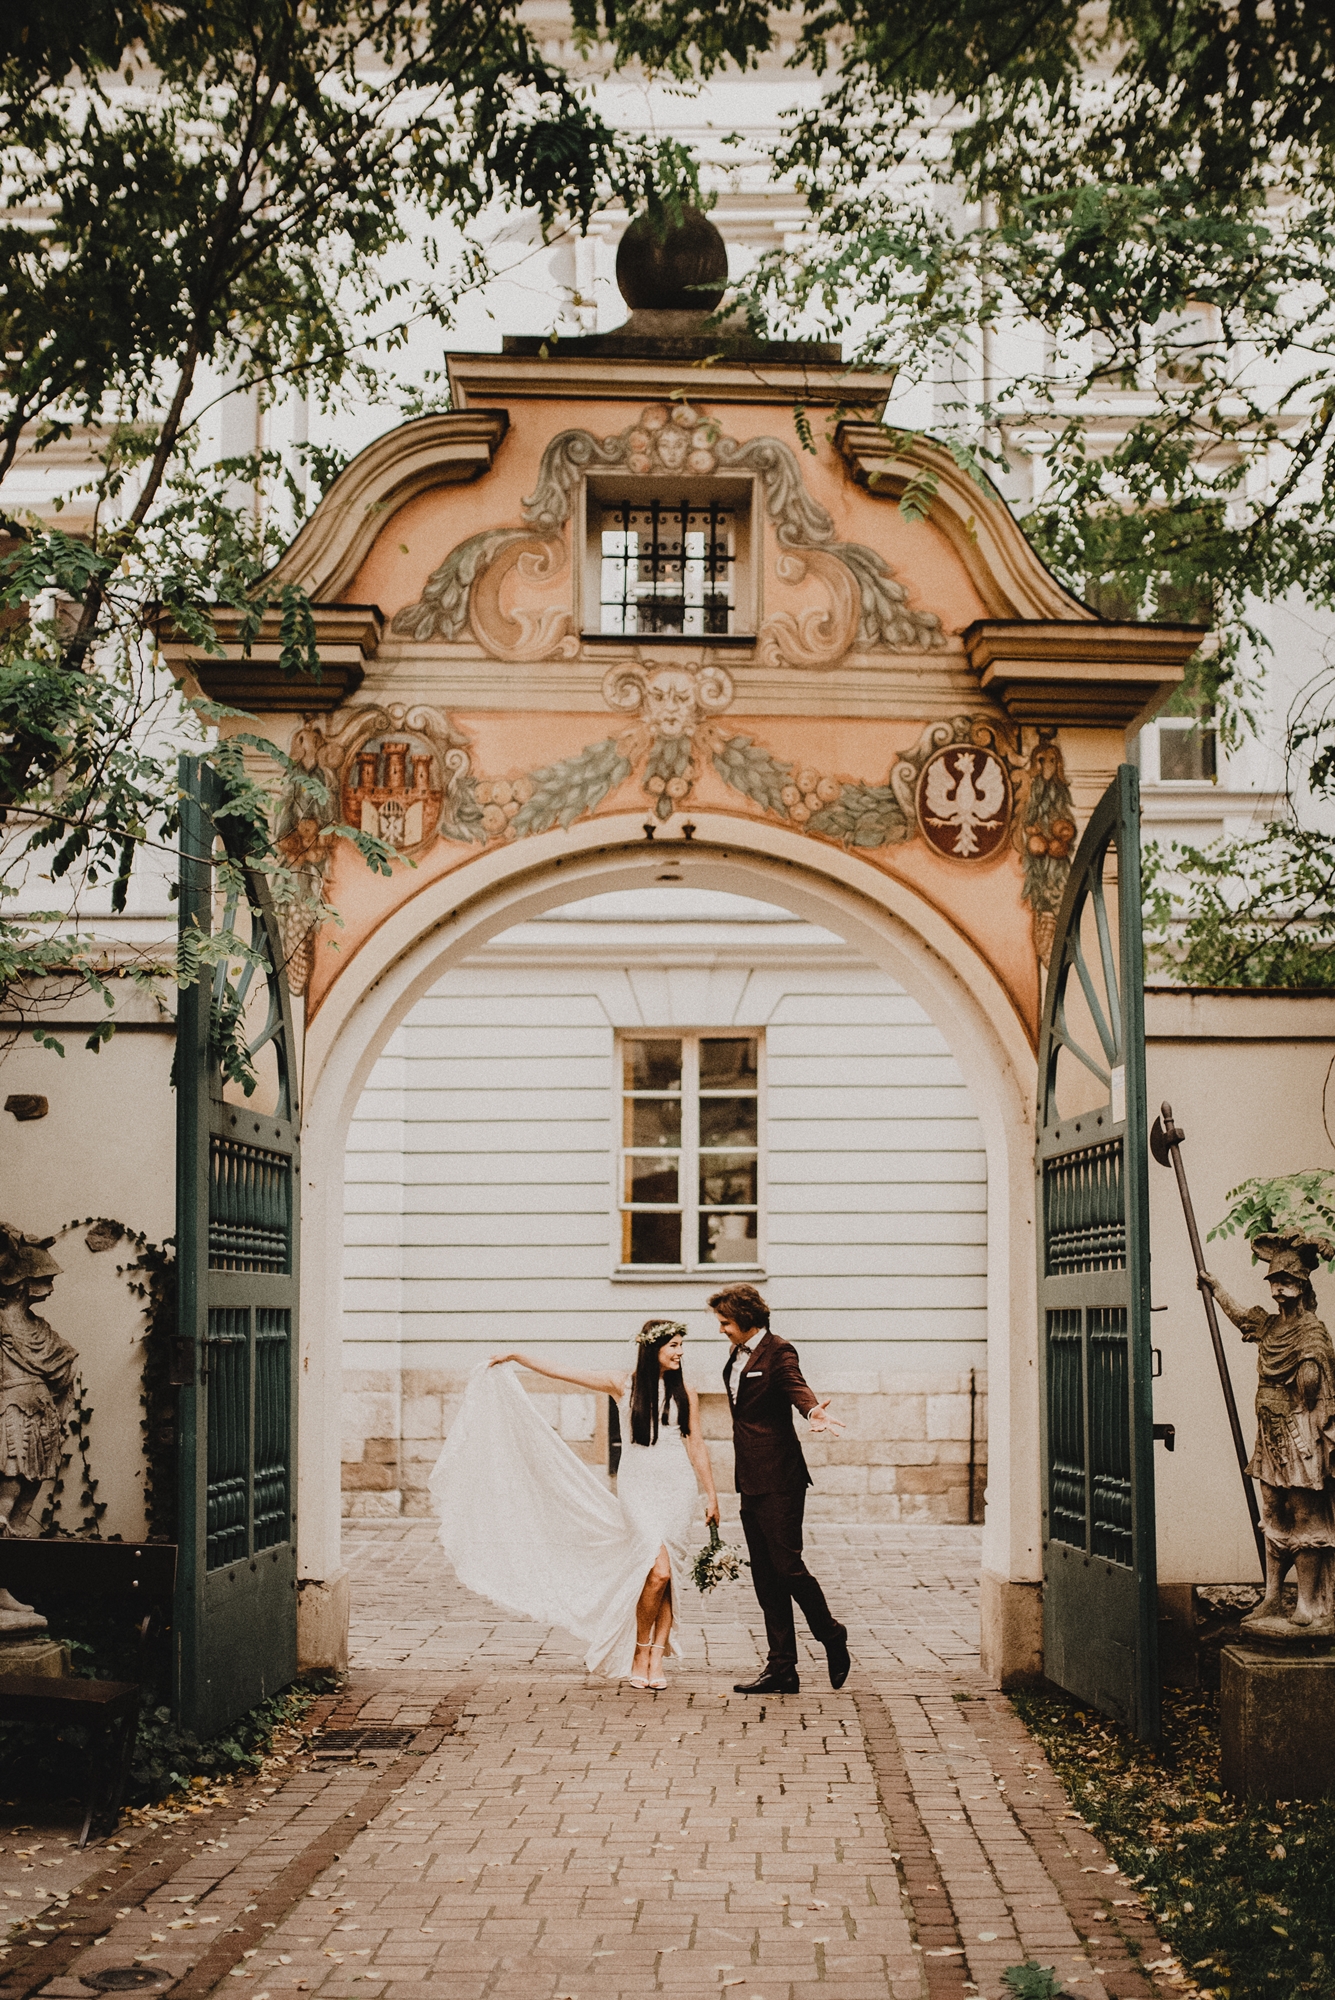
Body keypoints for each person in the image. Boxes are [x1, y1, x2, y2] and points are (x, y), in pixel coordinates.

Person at [429, 1319, 719, 1689]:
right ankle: (639, 1650)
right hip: (639, 1488)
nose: (680, 1352)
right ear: (652, 1348)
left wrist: (711, 1495)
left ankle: (656, 1658)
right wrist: (517, 1355)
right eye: (673, 1345)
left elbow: (696, 1444)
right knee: (656, 1570)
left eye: (681, 1345)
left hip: (677, 1487)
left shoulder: (685, 1391)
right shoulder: (622, 1384)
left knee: (668, 1577)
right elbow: (564, 1372)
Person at [709, 1283, 851, 1694]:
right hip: (749, 1477)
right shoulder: (737, 1354)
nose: (721, 1329)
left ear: (746, 1319)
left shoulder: (779, 1351)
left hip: (780, 1477)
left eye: (725, 1322)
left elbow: (794, 1384)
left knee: (787, 1567)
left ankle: (831, 1634)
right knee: (765, 1576)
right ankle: (782, 1668)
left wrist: (812, 1410)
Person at [1200, 1228, 1335, 1628]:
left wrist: (1310, 1364)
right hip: (1269, 1434)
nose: (1278, 1288)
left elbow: (1315, 1382)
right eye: (1274, 1280)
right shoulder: (1271, 1326)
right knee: (1273, 1510)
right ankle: (1273, 1596)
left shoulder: (1311, 1330)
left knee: (1304, 1514)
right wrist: (1216, 1289)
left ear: (1302, 1284)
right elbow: (1242, 1316)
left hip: (1300, 1434)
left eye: (1286, 1281)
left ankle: (1307, 1603)